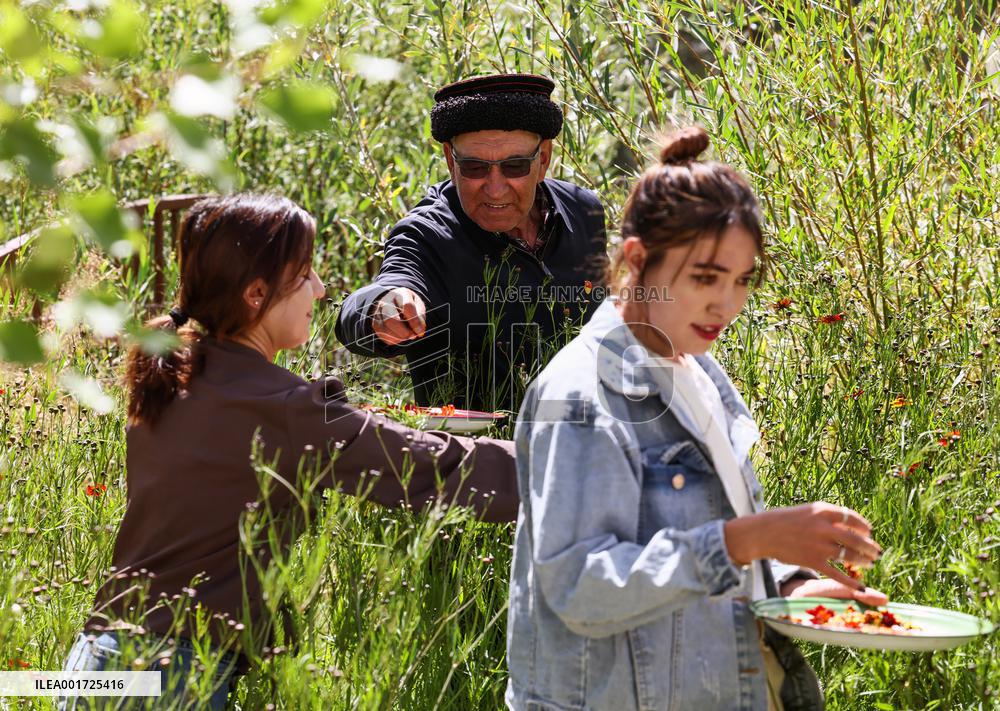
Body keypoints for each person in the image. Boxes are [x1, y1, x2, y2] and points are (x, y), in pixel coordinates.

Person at [59, 194, 518, 710]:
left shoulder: (176, 375)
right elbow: (434, 469)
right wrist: (569, 464)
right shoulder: (285, 406)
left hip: (97, 658)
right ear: (256, 293)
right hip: (168, 675)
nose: (320, 291)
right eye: (305, 276)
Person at [505, 127, 888, 711]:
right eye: (705, 278)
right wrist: (743, 542)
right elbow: (578, 587)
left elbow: (714, 527)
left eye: (741, 280)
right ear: (637, 260)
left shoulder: (697, 369)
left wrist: (789, 584)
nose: (726, 305)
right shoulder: (580, 395)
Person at [335, 73, 607, 412]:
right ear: (451, 161)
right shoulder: (428, 234)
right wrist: (381, 309)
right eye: (475, 168)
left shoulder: (583, 211)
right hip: (475, 456)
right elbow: (382, 291)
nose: (495, 188)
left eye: (515, 167)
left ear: (544, 160)